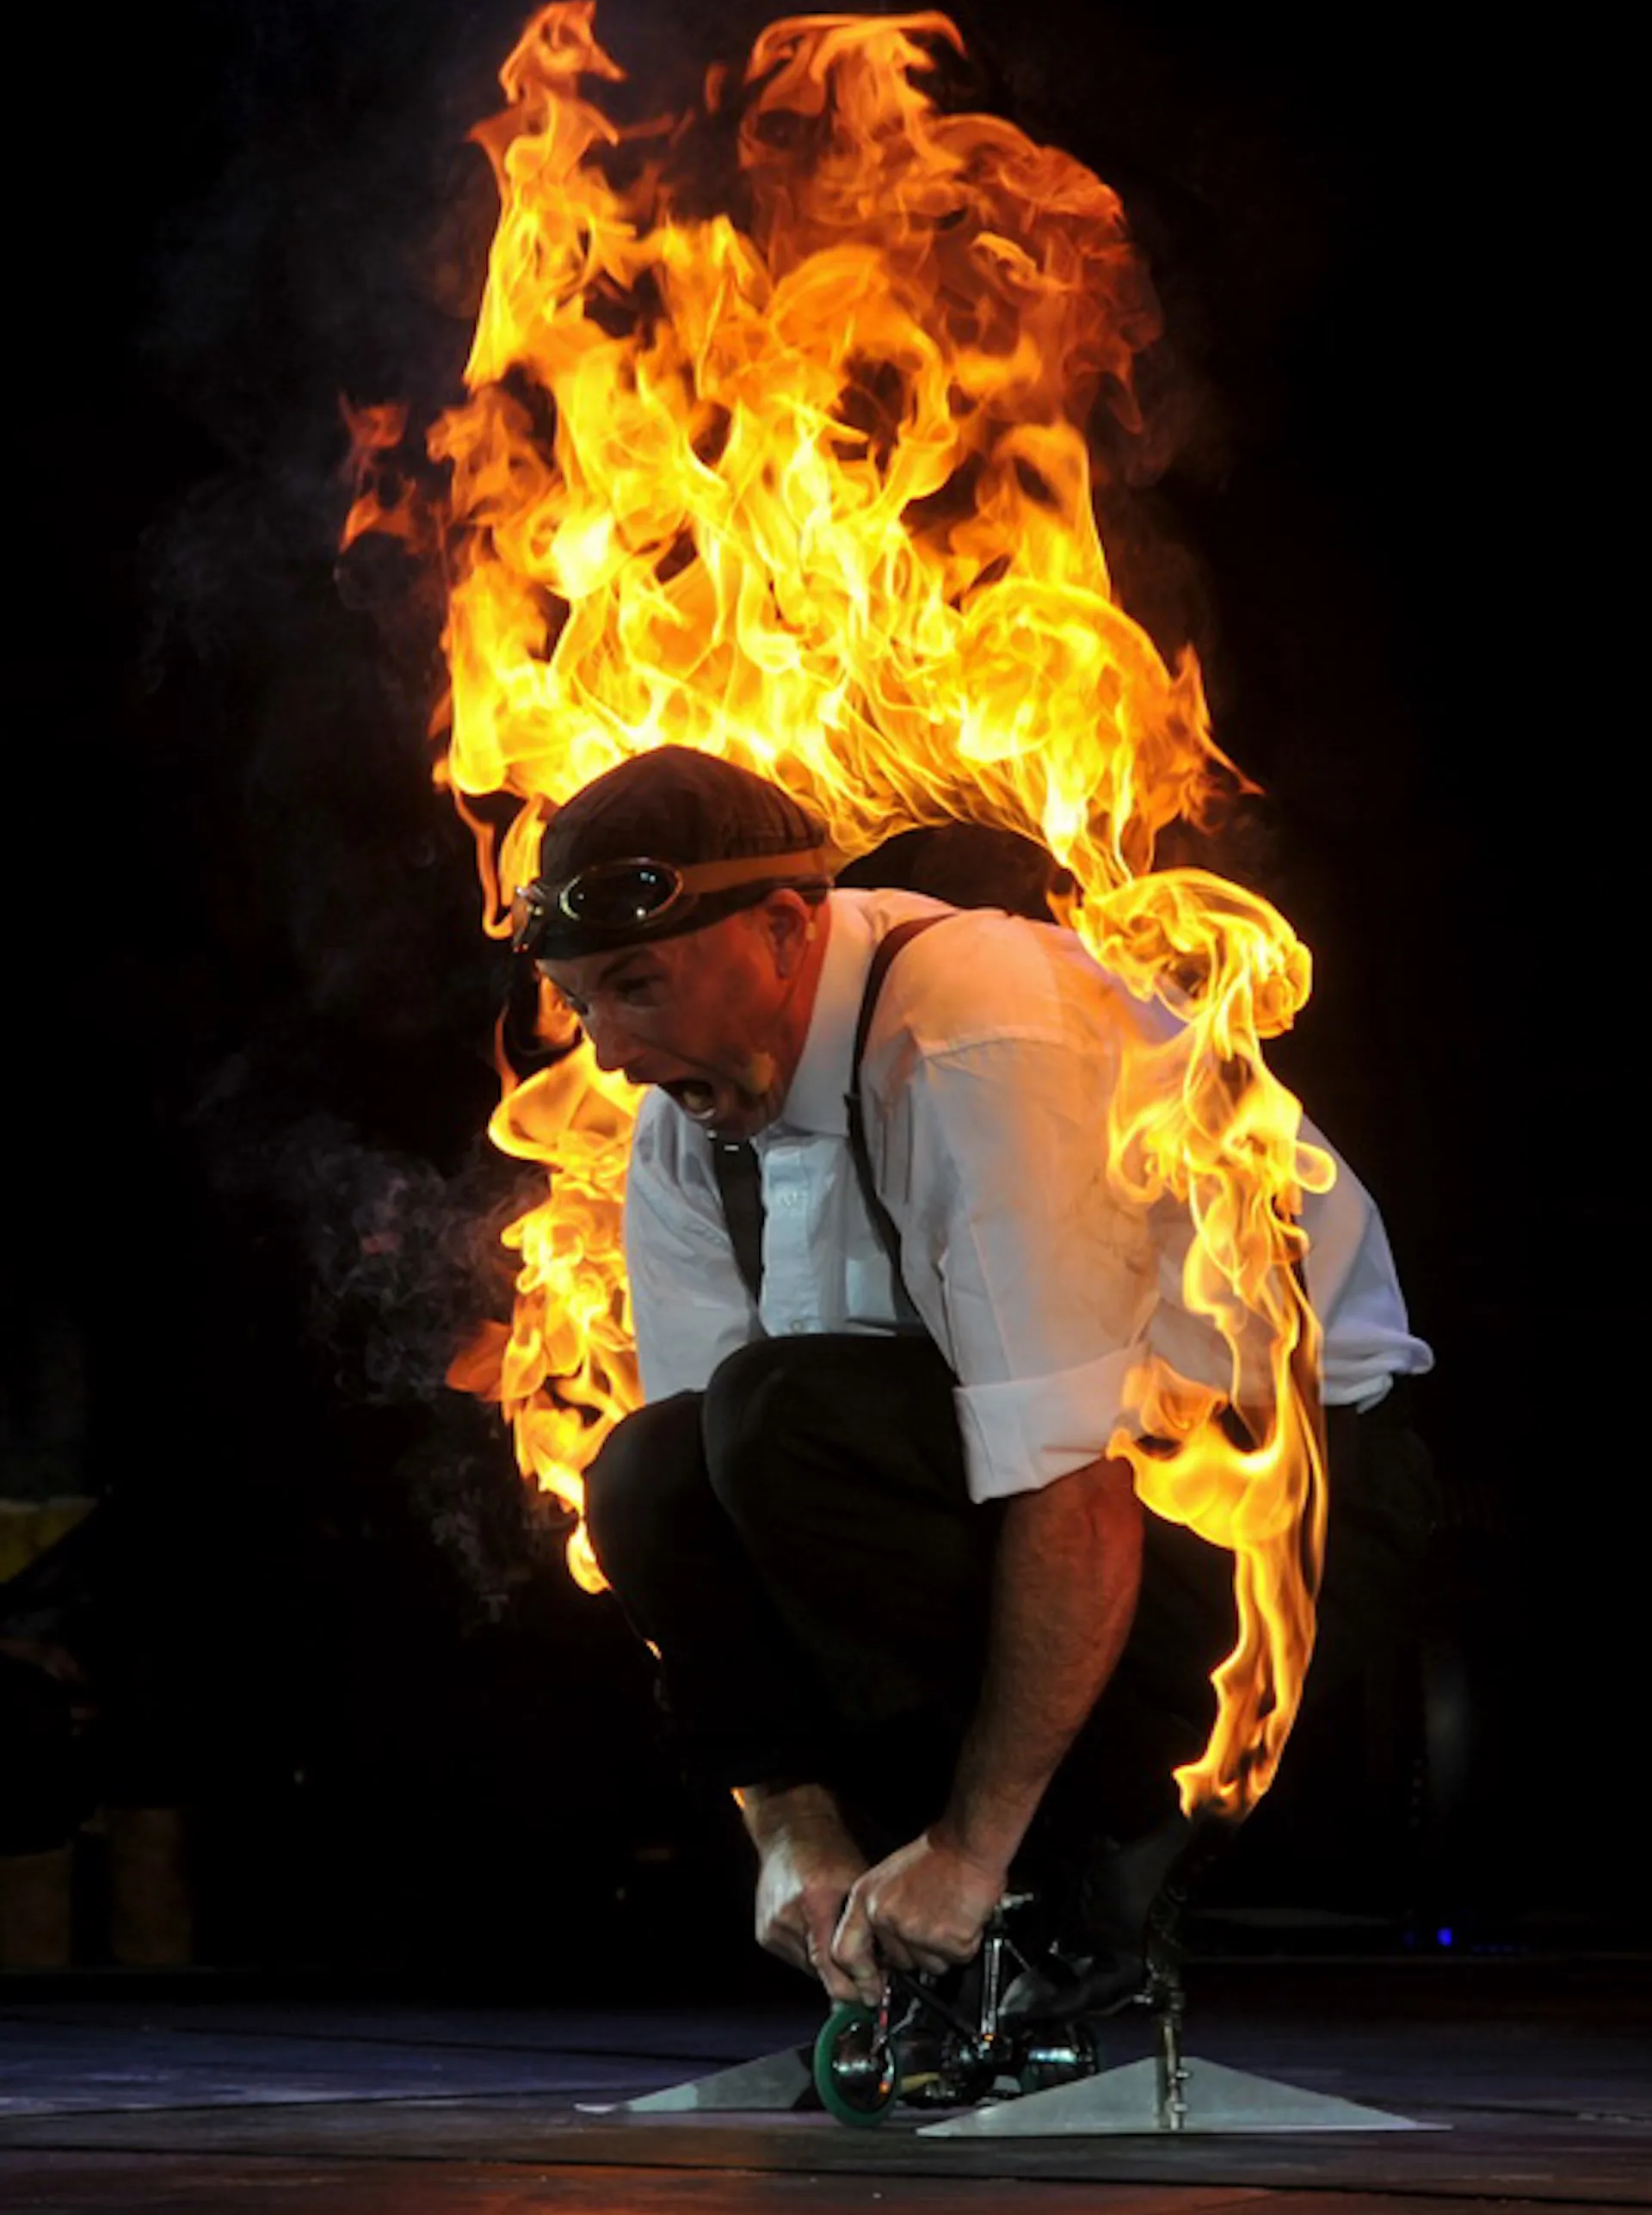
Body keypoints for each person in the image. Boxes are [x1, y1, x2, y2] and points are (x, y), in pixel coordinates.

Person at [513, 747, 1433, 2010]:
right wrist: (788, 1819)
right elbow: (705, 1530)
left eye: (638, 986)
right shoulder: (686, 1122)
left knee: (782, 1423)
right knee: (647, 1470)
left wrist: (972, 1850)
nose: (612, 1052)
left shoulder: (973, 1035)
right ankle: (904, 1902)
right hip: (1024, 1523)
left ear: (783, 928)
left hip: (1268, 1528)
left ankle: (1081, 1869)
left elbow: (1075, 1488)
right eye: (582, 1003)